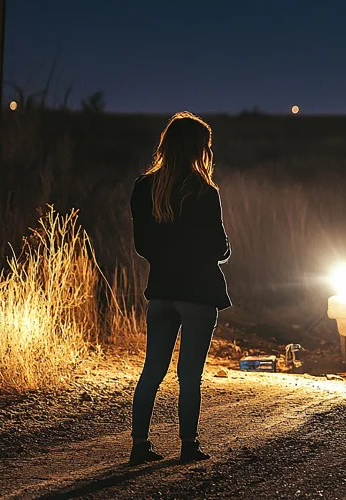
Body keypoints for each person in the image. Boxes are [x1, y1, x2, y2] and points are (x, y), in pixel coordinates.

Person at [128, 111, 231, 465]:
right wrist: (218, 249)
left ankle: (139, 445)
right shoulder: (204, 191)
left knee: (152, 372)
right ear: (197, 149)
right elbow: (218, 248)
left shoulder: (144, 187)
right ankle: (188, 445)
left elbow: (143, 246)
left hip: (161, 290)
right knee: (190, 376)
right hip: (199, 293)